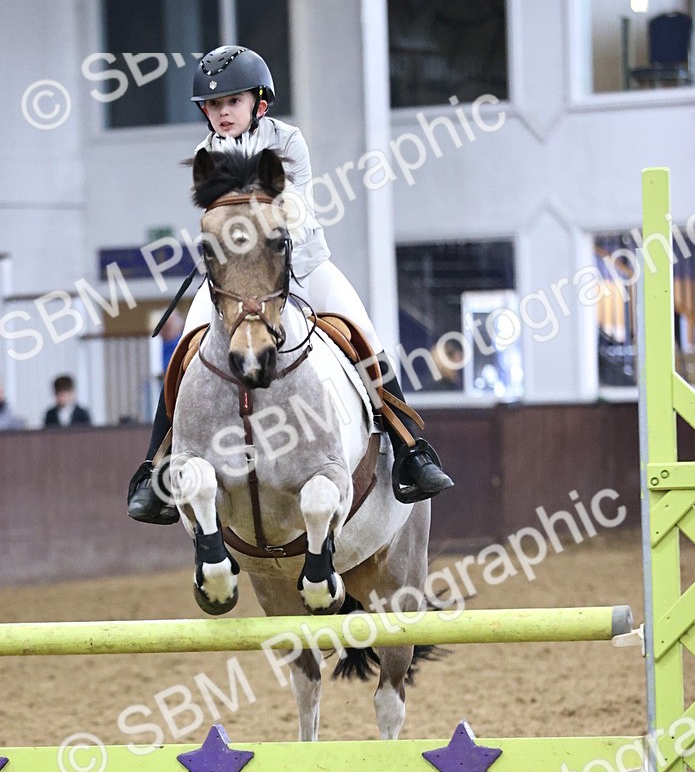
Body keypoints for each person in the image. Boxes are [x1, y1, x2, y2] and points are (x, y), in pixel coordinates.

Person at [127, 45, 452, 524]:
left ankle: (410, 450)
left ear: (259, 103)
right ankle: (156, 467)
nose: (222, 113)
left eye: (231, 102)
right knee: (184, 354)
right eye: (214, 106)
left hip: (302, 266)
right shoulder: (205, 155)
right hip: (235, 281)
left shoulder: (288, 141)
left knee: (365, 337)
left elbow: (290, 213)